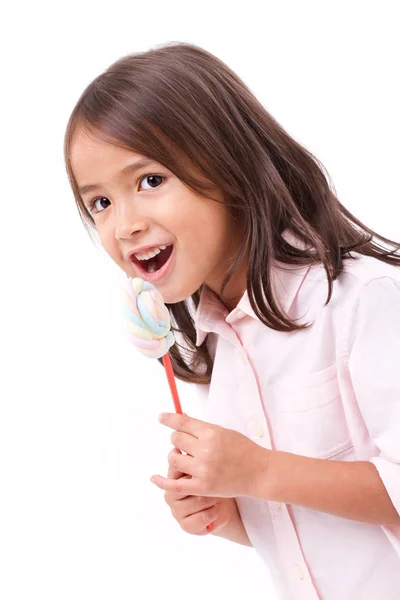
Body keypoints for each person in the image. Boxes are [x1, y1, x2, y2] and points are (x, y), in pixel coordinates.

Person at [64, 41, 400, 600]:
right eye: (99, 202)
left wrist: (259, 472)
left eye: (149, 180)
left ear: (228, 165)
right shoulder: (220, 341)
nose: (123, 226)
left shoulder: (361, 299)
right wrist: (229, 511)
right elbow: (313, 533)